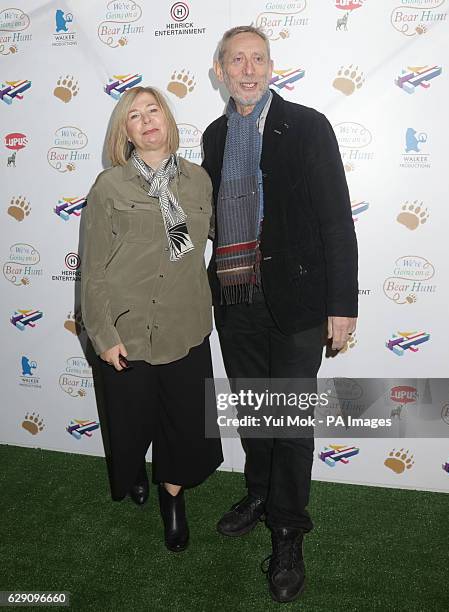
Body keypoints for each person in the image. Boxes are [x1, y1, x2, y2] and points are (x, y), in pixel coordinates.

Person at [202, 26, 358, 602]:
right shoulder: (215, 136)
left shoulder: (308, 125)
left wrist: (342, 304)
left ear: (272, 67)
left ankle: (288, 530)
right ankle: (261, 493)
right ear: (219, 70)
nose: (247, 69)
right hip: (236, 295)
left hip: (296, 299)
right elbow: (210, 217)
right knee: (254, 412)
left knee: (288, 422)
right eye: (236, 60)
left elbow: (336, 219)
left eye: (258, 59)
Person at [81, 86, 223, 553]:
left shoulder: (199, 180)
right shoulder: (109, 187)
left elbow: (212, 249)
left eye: (153, 109)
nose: (146, 120)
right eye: (134, 116)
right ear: (125, 132)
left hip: (185, 327)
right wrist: (103, 334)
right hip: (127, 329)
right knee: (131, 421)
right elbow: (94, 269)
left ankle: (173, 500)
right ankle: (136, 469)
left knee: (182, 423)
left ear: (167, 118)